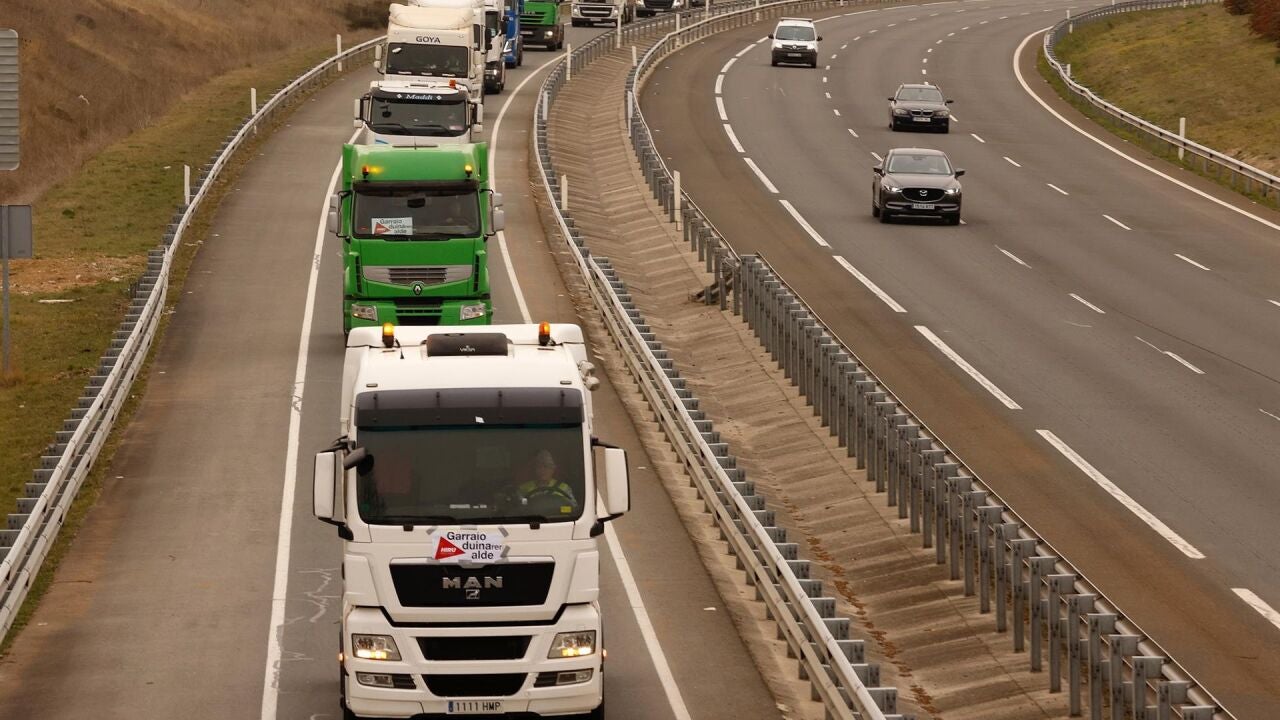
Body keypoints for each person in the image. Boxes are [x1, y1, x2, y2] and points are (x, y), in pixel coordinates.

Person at [511, 450, 578, 513]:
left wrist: (560, 509)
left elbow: (572, 509)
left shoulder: (564, 488)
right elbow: (520, 510)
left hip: (559, 522)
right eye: (539, 466)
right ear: (535, 469)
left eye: (546, 466)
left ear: (553, 469)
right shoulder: (523, 489)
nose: (542, 470)